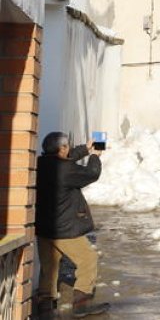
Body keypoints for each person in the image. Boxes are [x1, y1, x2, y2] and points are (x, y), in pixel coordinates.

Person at [35, 132, 109, 317]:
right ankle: (81, 304)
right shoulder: (66, 170)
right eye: (67, 146)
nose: (69, 149)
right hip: (64, 229)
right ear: (61, 149)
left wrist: (85, 148)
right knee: (88, 259)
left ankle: (44, 308)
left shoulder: (41, 164)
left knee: (49, 266)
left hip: (44, 228)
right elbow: (92, 173)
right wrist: (95, 156)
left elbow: (64, 160)